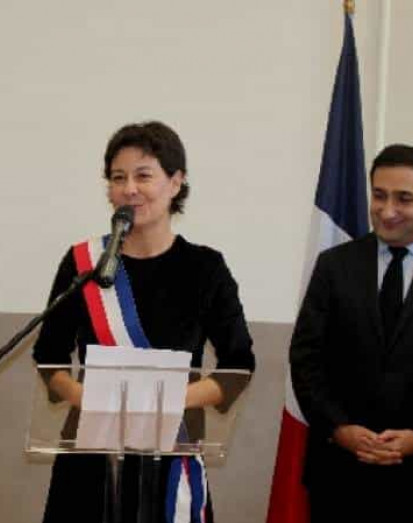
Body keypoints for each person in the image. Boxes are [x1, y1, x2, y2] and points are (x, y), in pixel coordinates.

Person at [33, 121, 255, 523]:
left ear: (176, 182)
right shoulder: (84, 263)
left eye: (143, 176)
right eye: (118, 178)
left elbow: (238, 365)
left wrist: (167, 401)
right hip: (90, 455)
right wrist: (85, 396)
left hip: (170, 454)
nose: (129, 189)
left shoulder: (205, 268)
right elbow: (49, 356)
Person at [290, 144, 413, 523]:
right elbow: (306, 359)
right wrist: (340, 428)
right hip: (337, 474)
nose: (387, 210)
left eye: (403, 198)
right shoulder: (334, 267)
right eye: (379, 195)